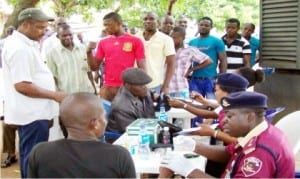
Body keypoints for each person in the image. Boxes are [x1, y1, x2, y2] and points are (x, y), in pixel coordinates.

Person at [159, 91, 295, 178]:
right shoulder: (260, 132)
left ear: (250, 117)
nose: (224, 120)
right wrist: (195, 146)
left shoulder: (260, 151)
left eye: (230, 116)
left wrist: (190, 171)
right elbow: (228, 152)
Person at [2, 8, 66, 178]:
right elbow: (22, 85)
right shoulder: (19, 48)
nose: (43, 32)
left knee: (30, 155)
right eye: (39, 28)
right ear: (25, 24)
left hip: (35, 112)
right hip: (32, 114)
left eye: (45, 28)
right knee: (33, 157)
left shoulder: (25, 44)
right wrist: (54, 95)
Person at [28, 92, 136, 178]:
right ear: (95, 124)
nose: (105, 121)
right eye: (103, 116)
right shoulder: (118, 156)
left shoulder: (40, 153)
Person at [87, 12, 146, 101]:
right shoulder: (103, 42)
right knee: (105, 114)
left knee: (126, 114)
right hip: (107, 88)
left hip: (126, 87)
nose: (106, 28)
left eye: (109, 24)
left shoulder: (135, 41)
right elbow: (94, 67)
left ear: (119, 23)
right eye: (105, 25)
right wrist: (89, 53)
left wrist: (141, 86)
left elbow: (142, 67)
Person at [46, 24, 96, 94]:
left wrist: (94, 90)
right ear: (58, 36)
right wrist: (57, 94)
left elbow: (89, 72)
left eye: (70, 35)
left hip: (86, 92)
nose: (68, 37)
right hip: (67, 95)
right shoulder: (52, 54)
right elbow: (53, 77)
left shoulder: (83, 48)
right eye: (64, 35)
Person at [107, 68, 155, 136]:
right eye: (140, 85)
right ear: (127, 85)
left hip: (145, 128)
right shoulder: (121, 107)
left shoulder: (141, 93)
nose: (145, 88)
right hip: (123, 138)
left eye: (144, 84)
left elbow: (150, 115)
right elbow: (133, 131)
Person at [137, 11, 176, 94]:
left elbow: (171, 64)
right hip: (136, 84)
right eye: (145, 19)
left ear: (158, 22)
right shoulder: (136, 37)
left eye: (151, 19)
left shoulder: (166, 39)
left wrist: (165, 86)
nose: (148, 21)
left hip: (154, 85)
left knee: (152, 107)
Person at [188, 17, 227, 99]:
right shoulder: (192, 42)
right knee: (196, 105)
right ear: (198, 26)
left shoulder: (217, 41)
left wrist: (222, 79)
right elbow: (187, 61)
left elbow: (223, 61)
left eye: (206, 25)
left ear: (211, 27)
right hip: (195, 79)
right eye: (201, 25)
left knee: (212, 105)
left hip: (211, 80)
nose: (203, 27)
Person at [169, 26, 212, 97]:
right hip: (167, 87)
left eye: (174, 37)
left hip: (181, 87)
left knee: (181, 107)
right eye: (171, 37)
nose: (172, 39)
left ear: (183, 38)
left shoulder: (190, 50)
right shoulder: (167, 49)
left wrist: (191, 70)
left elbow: (208, 61)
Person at [0, 26, 18, 168]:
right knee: (7, 125)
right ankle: (10, 154)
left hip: (31, 102)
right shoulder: (4, 47)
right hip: (12, 97)